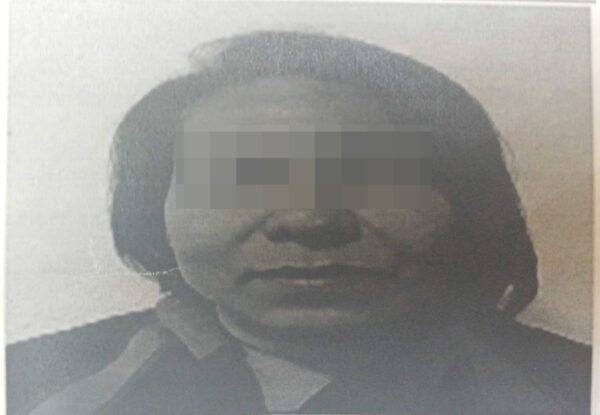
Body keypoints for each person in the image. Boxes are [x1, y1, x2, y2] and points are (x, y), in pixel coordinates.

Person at [8, 31, 591, 415]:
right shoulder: (27, 386)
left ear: (465, 204)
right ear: (155, 209)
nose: (308, 218)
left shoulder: (574, 388)